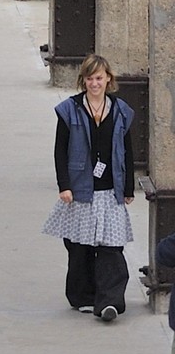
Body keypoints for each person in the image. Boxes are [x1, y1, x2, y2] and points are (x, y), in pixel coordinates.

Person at [46, 53, 136, 321]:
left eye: (99, 78)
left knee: (112, 246)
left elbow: (128, 151)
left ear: (108, 79)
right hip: (81, 189)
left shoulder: (121, 111)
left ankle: (109, 301)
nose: (94, 83)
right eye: (89, 78)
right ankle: (83, 296)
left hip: (111, 190)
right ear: (83, 80)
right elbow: (59, 151)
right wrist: (64, 185)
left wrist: (128, 187)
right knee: (80, 246)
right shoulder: (69, 110)